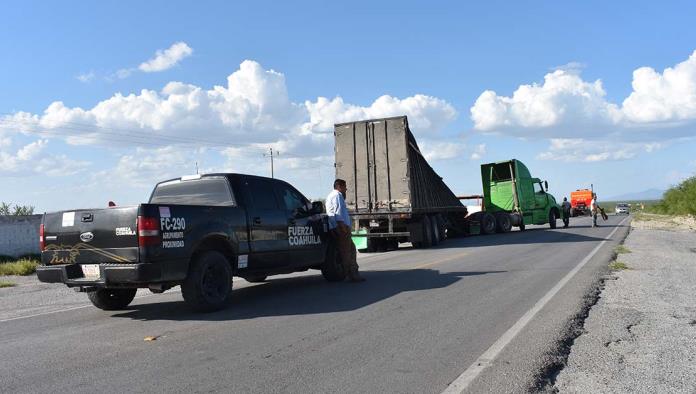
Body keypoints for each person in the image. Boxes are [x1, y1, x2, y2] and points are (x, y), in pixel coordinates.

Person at [326, 179, 365, 282]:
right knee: (347, 252)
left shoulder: (333, 195)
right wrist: (343, 228)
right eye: (344, 186)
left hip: (339, 227)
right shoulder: (337, 195)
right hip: (341, 227)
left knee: (351, 249)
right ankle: (351, 274)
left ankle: (352, 273)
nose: (345, 189)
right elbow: (338, 213)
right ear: (339, 186)